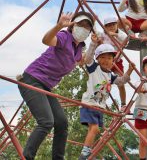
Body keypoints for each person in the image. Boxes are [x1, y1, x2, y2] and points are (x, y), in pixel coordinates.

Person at [17, 11, 95, 160]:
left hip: (46, 87)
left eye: (87, 27)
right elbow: (46, 40)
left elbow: (82, 61)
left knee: (61, 122)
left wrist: (94, 44)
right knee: (46, 122)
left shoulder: (78, 48)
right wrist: (59, 26)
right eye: (80, 24)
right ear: (73, 25)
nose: (83, 28)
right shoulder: (64, 37)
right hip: (32, 79)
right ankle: (27, 157)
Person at [79, 43, 135, 160]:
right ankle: (84, 154)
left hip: (100, 107)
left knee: (94, 130)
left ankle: (88, 151)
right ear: (97, 59)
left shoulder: (110, 75)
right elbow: (88, 58)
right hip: (89, 104)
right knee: (94, 128)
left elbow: (121, 81)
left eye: (109, 58)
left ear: (113, 61)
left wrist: (129, 70)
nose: (106, 60)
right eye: (103, 57)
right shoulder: (94, 68)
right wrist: (93, 44)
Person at [97, 16, 128, 110]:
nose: (111, 27)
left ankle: (123, 104)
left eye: (113, 24)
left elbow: (127, 40)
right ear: (105, 27)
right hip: (106, 62)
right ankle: (100, 100)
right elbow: (97, 37)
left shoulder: (121, 34)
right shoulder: (103, 35)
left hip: (117, 61)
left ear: (117, 25)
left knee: (121, 82)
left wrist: (115, 35)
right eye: (108, 25)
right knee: (103, 82)